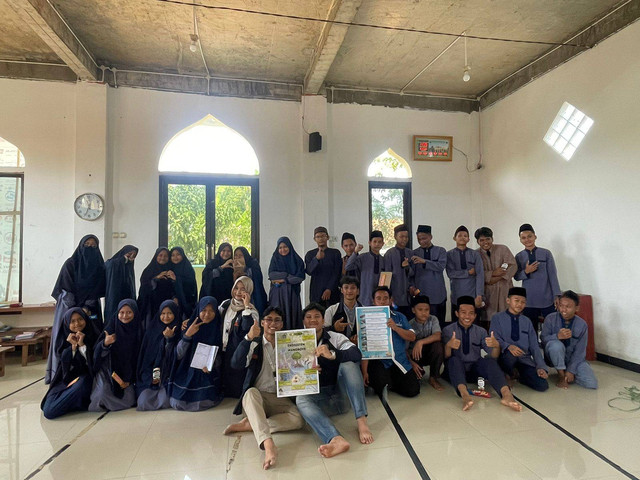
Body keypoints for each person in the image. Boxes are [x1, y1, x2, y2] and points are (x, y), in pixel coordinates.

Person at [223, 307, 305, 470]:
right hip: (258, 396)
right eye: (269, 319)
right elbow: (235, 363)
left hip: (279, 397)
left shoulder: (291, 344)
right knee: (250, 393)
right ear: (262, 322)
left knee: (299, 420)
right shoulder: (254, 342)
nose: (272, 324)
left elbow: (302, 369)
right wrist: (248, 337)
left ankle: (252, 424)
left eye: (277, 320)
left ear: (282, 324)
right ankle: (268, 445)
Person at [295, 303, 373, 459]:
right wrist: (304, 372)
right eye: (309, 317)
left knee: (349, 365)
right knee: (300, 399)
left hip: (342, 395)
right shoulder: (295, 342)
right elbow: (288, 376)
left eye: (317, 316)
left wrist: (332, 354)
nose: (313, 320)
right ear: (303, 321)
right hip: (320, 401)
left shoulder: (335, 337)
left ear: (323, 320)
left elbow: (356, 354)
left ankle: (362, 421)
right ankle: (335, 439)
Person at [442, 296, 521, 412]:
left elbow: (493, 356)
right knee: (454, 360)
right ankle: (465, 395)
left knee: (488, 361)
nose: (467, 317)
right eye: (463, 313)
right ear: (457, 313)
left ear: (474, 315)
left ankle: (506, 395)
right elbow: (446, 357)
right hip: (455, 371)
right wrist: (448, 346)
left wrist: (496, 346)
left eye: (471, 313)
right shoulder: (448, 330)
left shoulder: (481, 331)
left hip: (474, 370)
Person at [48, 234, 105, 384]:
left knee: (93, 336)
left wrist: (87, 307)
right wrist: (76, 312)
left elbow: (100, 287)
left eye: (94, 246)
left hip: (91, 308)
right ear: (81, 246)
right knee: (68, 339)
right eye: (87, 245)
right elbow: (66, 287)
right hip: (70, 308)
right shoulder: (71, 263)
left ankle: (93, 370)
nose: (90, 248)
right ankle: (64, 373)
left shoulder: (99, 265)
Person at [362, 286, 420, 398]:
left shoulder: (399, 317)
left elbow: (412, 337)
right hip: (380, 361)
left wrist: (396, 328)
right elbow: (364, 347)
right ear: (373, 301)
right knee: (379, 387)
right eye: (378, 298)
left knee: (413, 391)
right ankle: (387, 381)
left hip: (399, 360)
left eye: (385, 298)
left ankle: (392, 382)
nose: (382, 301)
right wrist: (364, 371)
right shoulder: (366, 318)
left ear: (390, 300)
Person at [489, 287, 549, 392]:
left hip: (524, 360)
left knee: (542, 385)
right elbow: (495, 338)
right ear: (508, 301)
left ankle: (518, 375)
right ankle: (507, 373)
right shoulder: (497, 318)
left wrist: (541, 367)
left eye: (523, 302)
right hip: (505, 358)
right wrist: (508, 346)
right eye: (516, 300)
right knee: (510, 355)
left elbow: (534, 346)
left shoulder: (527, 321)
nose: (519, 304)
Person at [41, 308, 97, 419]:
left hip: (86, 379)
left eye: (80, 319)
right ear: (67, 323)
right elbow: (64, 367)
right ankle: (71, 402)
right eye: (72, 321)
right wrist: (72, 347)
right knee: (48, 407)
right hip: (66, 379)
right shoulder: (63, 340)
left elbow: (92, 364)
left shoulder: (94, 335)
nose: (77, 324)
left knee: (82, 385)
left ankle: (70, 402)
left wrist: (82, 346)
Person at [170, 296, 224, 411]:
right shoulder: (189, 326)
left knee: (204, 400)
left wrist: (212, 365)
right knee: (177, 401)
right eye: (203, 310)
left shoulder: (219, 329)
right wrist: (187, 335)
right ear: (198, 311)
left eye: (211, 311)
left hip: (207, 372)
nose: (207, 314)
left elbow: (221, 356)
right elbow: (178, 355)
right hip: (187, 370)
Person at [89, 299, 141, 411]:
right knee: (101, 396)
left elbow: (139, 359)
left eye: (129, 312)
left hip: (129, 375)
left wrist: (130, 379)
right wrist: (105, 344)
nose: (125, 316)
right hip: (109, 371)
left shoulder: (139, 331)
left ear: (135, 313)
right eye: (121, 312)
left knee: (130, 399)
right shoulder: (111, 329)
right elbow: (96, 354)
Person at [541, 290, 597, 389]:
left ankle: (568, 373)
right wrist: (557, 336)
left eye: (568, 307)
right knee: (555, 345)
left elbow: (580, 351)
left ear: (577, 308)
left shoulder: (582, 325)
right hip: (553, 357)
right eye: (561, 306)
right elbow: (543, 339)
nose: (563, 310)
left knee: (591, 383)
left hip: (572, 358)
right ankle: (561, 376)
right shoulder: (550, 318)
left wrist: (571, 370)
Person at [515, 224, 562, 335]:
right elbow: (516, 276)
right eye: (524, 238)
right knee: (531, 332)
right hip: (529, 301)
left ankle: (551, 352)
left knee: (553, 329)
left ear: (535, 237)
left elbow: (553, 275)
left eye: (530, 236)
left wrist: (556, 295)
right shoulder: (519, 256)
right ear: (520, 240)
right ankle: (533, 352)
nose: (527, 240)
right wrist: (526, 271)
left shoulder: (546, 253)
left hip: (547, 299)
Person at [136, 300, 181, 410]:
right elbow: (145, 359)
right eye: (163, 313)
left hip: (170, 375)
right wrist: (149, 377)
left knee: (165, 401)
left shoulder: (180, 330)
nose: (166, 317)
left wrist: (169, 339)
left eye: (169, 313)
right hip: (151, 374)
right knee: (143, 402)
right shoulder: (151, 331)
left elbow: (178, 357)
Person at [219, 276, 260, 398]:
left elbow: (247, 328)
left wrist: (246, 306)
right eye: (236, 288)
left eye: (243, 289)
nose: (238, 292)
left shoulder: (252, 311)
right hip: (223, 349)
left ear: (249, 291)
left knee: (236, 389)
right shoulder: (225, 305)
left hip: (239, 351)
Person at [474, 227, 516, 322]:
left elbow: (513, 266)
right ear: (478, 242)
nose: (485, 242)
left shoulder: (503, 249)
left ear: (492, 239)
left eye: (488, 239)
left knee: (507, 319)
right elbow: (477, 274)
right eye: (482, 240)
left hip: (504, 290)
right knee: (489, 320)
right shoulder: (475, 254)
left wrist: (496, 278)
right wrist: (493, 273)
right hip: (488, 293)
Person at [410, 225, 447, 329]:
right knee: (422, 326)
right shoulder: (415, 253)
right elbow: (412, 274)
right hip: (421, 295)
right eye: (419, 239)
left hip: (438, 295)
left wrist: (424, 261)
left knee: (439, 325)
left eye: (424, 238)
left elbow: (440, 266)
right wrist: (412, 287)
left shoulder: (441, 251)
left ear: (431, 236)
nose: (422, 241)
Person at [446, 226, 484, 320]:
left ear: (468, 239)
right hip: (456, 295)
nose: (462, 237)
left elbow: (480, 275)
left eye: (465, 236)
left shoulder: (475, 254)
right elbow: (451, 273)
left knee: (474, 322)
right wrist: (467, 273)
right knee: (456, 322)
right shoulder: (449, 254)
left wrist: (479, 295)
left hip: (473, 294)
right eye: (460, 235)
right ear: (454, 238)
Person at [407, 295, 444, 391]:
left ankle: (433, 377)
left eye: (426, 310)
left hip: (430, 353)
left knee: (438, 346)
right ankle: (419, 371)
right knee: (413, 383)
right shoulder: (409, 324)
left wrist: (420, 342)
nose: (424, 313)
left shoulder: (433, 319)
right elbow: (404, 349)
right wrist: (411, 363)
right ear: (413, 310)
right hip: (415, 357)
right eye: (420, 310)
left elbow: (438, 335)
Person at [268, 237, 305, 330]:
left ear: (290, 247)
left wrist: (284, 280)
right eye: (280, 248)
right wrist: (287, 275)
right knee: (277, 316)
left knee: (291, 317)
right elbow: (271, 275)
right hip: (277, 294)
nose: (282, 249)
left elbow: (300, 277)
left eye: (285, 247)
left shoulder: (297, 260)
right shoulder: (275, 258)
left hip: (292, 294)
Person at [137, 247, 176, 330]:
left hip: (167, 306)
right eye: (160, 255)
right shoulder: (148, 270)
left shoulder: (171, 270)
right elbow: (143, 289)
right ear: (156, 256)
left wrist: (174, 280)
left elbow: (175, 288)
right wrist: (156, 278)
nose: (163, 258)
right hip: (150, 306)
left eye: (166, 256)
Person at [344, 231, 386, 307]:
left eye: (379, 242)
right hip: (364, 297)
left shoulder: (384, 260)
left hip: (379, 300)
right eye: (375, 241)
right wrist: (355, 252)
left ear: (383, 244)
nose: (377, 244)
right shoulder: (362, 257)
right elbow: (348, 267)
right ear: (369, 243)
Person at [305, 226, 342, 307]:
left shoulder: (335, 253)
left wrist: (329, 289)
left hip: (332, 291)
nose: (320, 239)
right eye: (318, 237)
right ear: (314, 239)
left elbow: (337, 273)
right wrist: (316, 259)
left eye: (323, 236)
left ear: (327, 237)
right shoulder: (310, 254)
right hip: (316, 291)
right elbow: (309, 271)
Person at [384, 224, 414, 318]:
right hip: (394, 295)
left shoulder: (411, 253)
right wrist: (389, 295)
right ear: (395, 237)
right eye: (401, 236)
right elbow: (387, 276)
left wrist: (407, 267)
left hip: (408, 296)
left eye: (406, 237)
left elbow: (414, 274)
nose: (404, 239)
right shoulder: (389, 254)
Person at [104, 245, 139, 325]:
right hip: (114, 298)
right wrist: (123, 259)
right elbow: (107, 265)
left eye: (134, 255)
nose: (131, 256)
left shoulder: (129, 266)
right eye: (130, 253)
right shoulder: (112, 263)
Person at [323, 275, 362, 344]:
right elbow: (323, 332)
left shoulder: (365, 310)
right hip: (339, 350)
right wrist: (334, 328)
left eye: (353, 288)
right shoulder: (331, 310)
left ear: (358, 291)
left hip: (361, 349)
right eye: (346, 287)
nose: (349, 291)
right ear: (341, 290)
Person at [233, 246, 268, 317]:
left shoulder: (253, 263)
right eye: (236, 256)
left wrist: (244, 269)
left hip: (255, 294)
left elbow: (257, 277)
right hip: (241, 294)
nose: (237, 258)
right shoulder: (234, 265)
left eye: (240, 255)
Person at [169, 246, 198, 319]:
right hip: (171, 301)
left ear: (182, 255)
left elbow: (191, 284)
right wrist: (174, 297)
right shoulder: (169, 268)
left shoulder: (188, 268)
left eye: (178, 254)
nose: (175, 257)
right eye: (173, 255)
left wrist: (176, 279)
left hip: (187, 301)